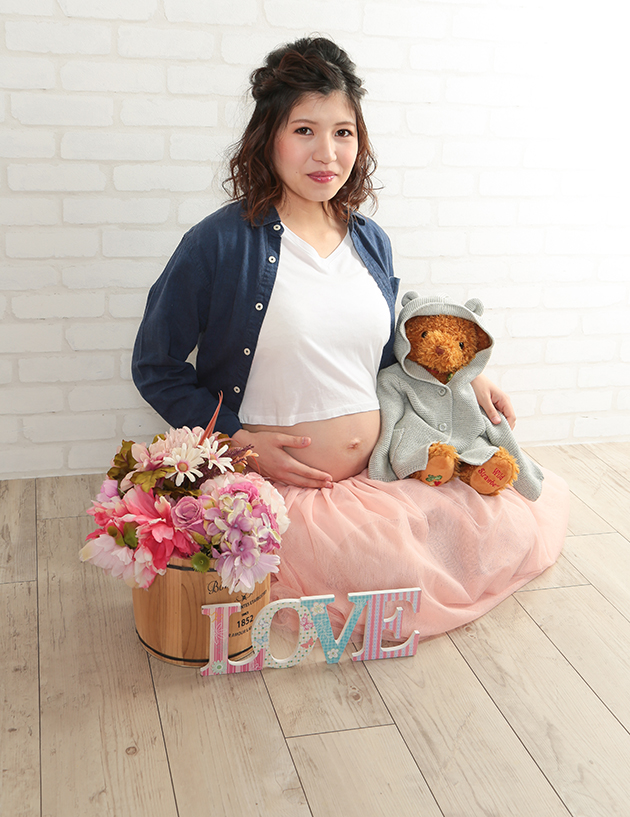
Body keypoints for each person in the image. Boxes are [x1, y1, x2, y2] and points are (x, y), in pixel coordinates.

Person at [132, 36, 569, 638]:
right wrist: (236, 438)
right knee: (393, 580)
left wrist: (465, 378)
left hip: (380, 476)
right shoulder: (220, 242)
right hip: (283, 492)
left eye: (343, 132)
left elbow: (385, 354)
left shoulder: (369, 240)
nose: (327, 153)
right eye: (304, 130)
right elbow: (155, 365)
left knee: (502, 527)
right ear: (267, 138)